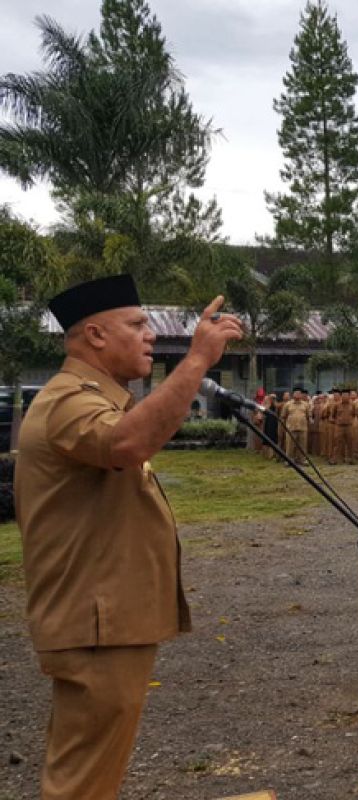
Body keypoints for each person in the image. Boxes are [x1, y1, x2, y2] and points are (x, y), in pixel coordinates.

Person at [15, 276, 243, 799]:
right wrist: (195, 362)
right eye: (137, 325)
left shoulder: (96, 399)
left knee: (91, 772)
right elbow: (129, 443)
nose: (150, 336)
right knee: (82, 784)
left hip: (105, 621)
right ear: (94, 335)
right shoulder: (68, 401)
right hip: (95, 623)